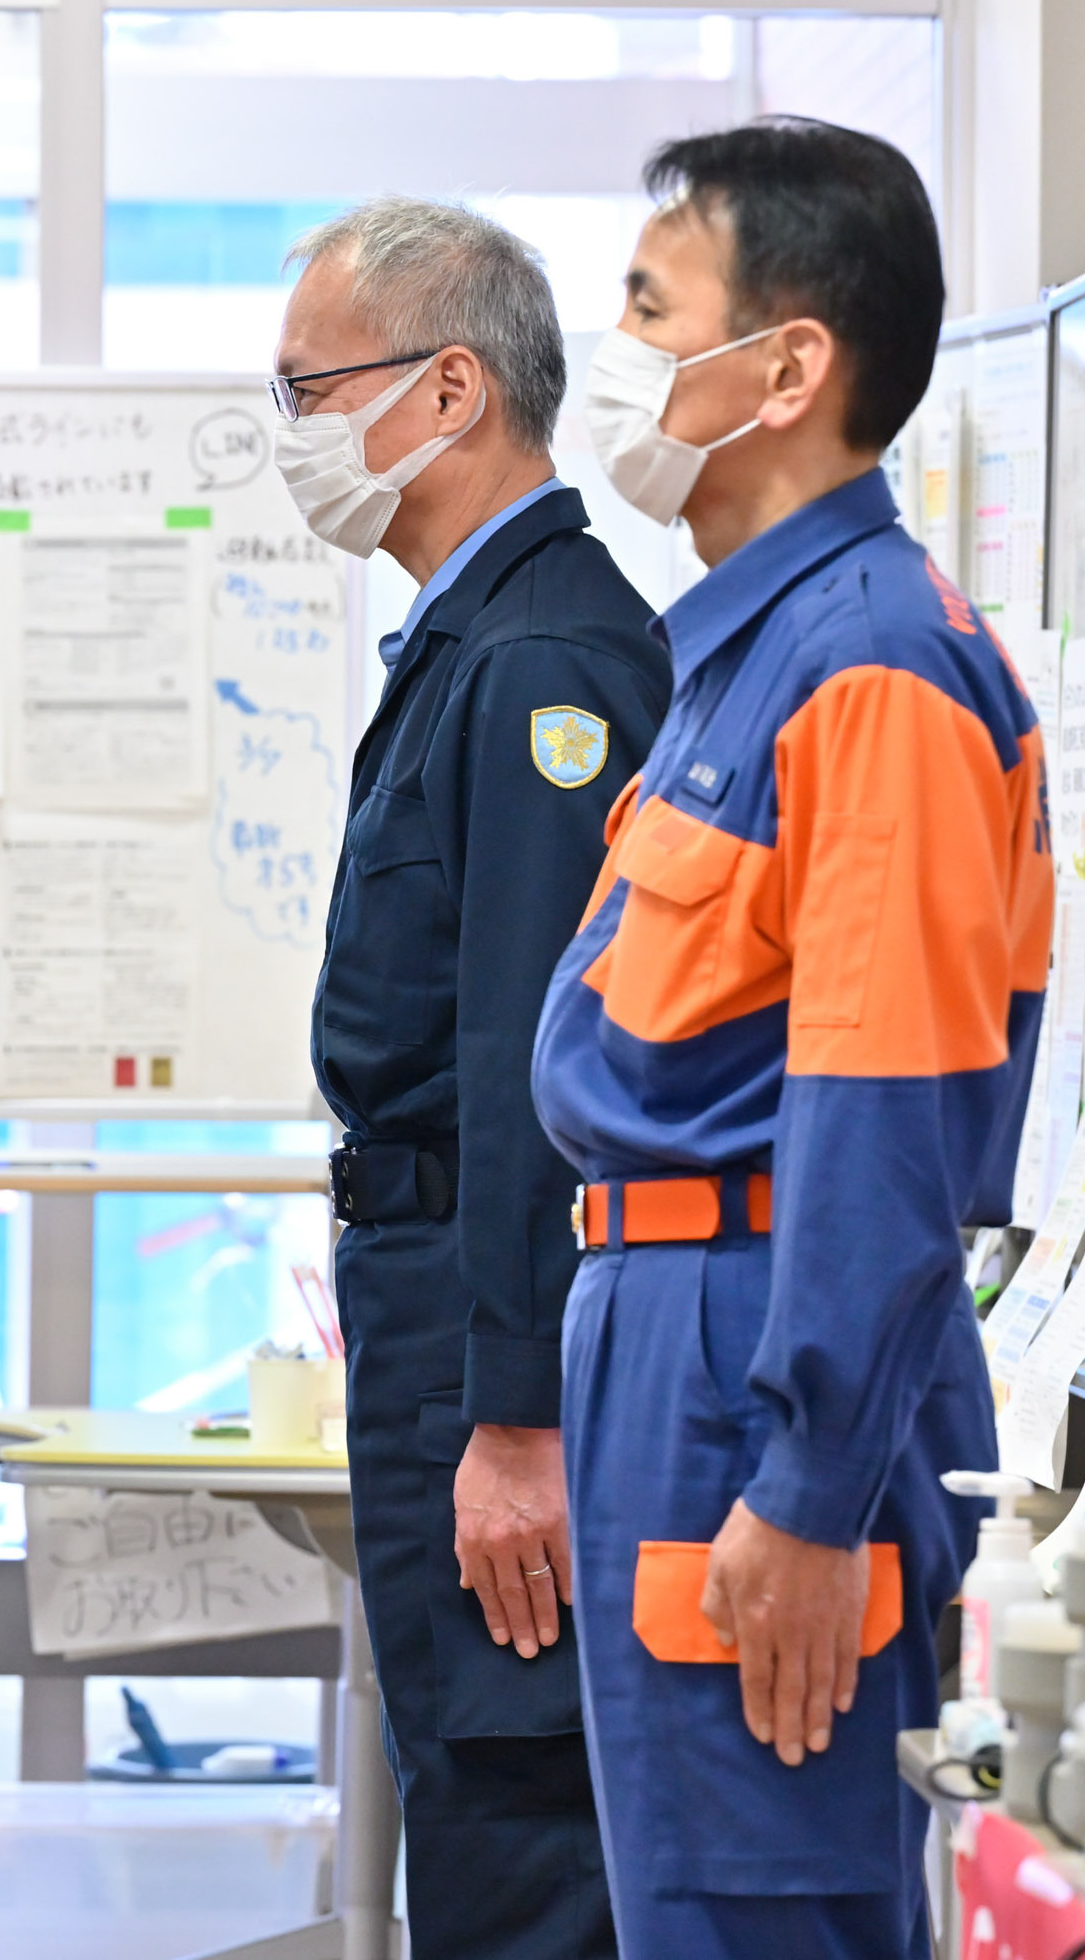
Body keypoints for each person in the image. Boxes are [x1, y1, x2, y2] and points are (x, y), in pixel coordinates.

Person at [533, 119, 1048, 1958]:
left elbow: (887, 1103)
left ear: (790, 365)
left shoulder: (876, 670)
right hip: (678, 1335)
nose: (620, 349)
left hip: (757, 1352)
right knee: (690, 1891)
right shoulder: (756, 651)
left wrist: (810, 1488)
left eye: (652, 307)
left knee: (763, 1904)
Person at [280, 198, 668, 1959]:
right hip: (436, 1307)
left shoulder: (541, 662)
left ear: (448, 391)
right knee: (469, 1777)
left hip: (493, 1350)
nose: (290, 436)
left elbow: (545, 1072)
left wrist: (520, 1417)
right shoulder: (470, 635)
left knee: (519, 1813)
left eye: (308, 390)